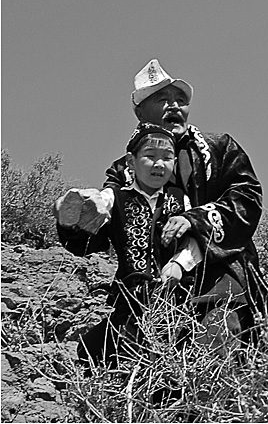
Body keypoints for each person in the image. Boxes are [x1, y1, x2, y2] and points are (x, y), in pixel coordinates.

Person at [58, 59, 268, 353]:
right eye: (163, 99)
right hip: (149, 291)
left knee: (219, 343)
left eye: (181, 99)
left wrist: (195, 219)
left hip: (217, 279)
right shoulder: (124, 172)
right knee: (97, 353)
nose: (175, 106)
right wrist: (75, 220)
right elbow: (99, 232)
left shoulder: (218, 149)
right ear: (139, 111)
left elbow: (247, 198)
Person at [56, 123, 194, 367]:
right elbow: (89, 232)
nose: (159, 164)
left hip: (176, 299)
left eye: (167, 158)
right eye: (150, 157)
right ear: (131, 162)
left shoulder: (181, 199)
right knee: (96, 350)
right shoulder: (116, 197)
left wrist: (179, 265)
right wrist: (76, 212)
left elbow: (199, 239)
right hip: (130, 301)